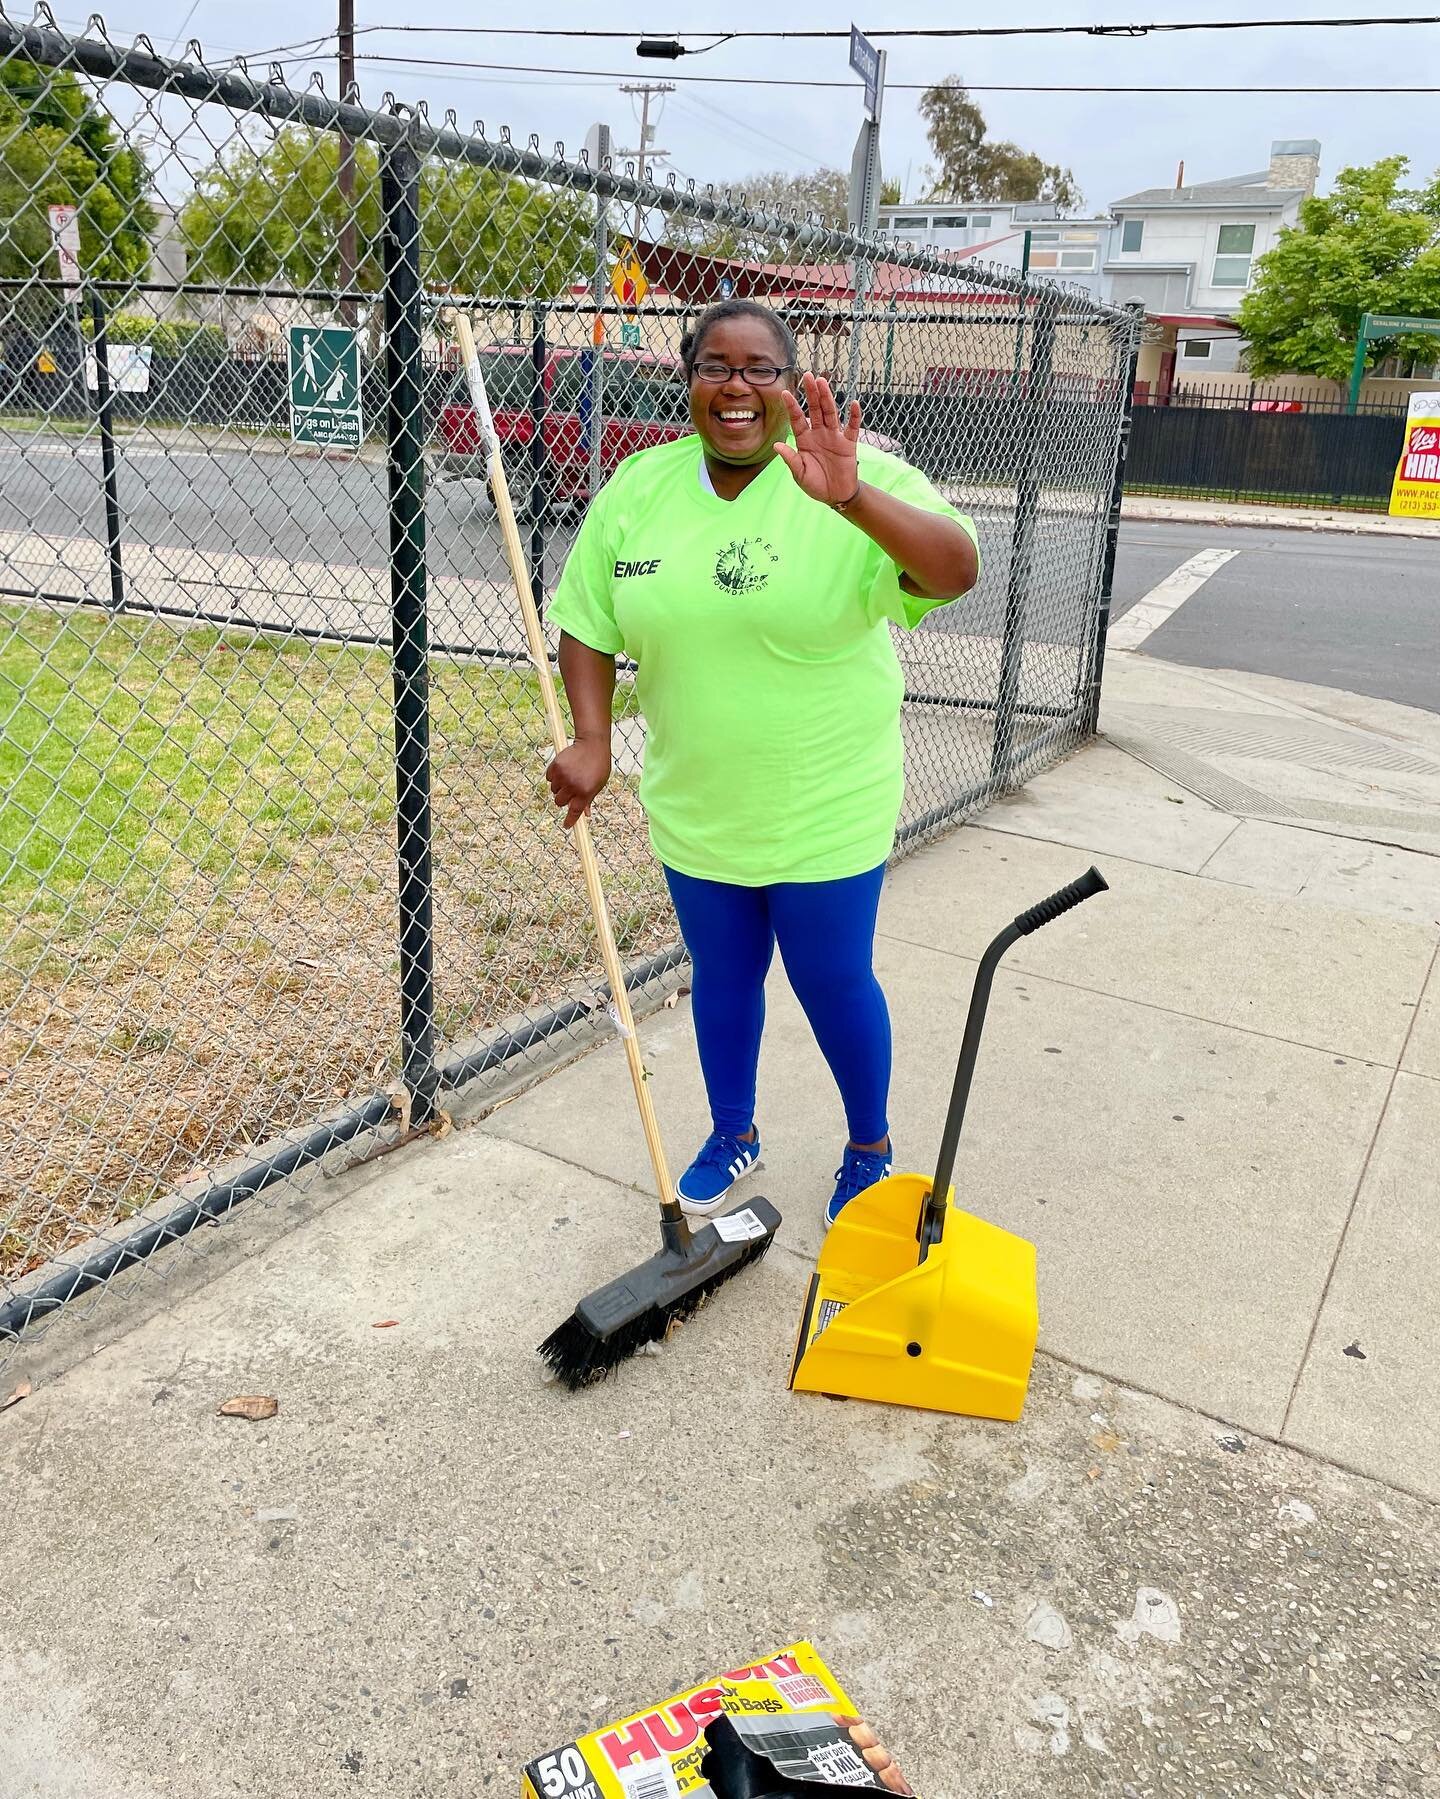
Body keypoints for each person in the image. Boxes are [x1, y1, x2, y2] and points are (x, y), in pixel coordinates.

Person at [545, 299, 979, 1229]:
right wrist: (591, 735)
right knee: (724, 971)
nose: (735, 386)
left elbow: (955, 570)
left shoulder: (852, 473)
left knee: (830, 975)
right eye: (714, 365)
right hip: (700, 800)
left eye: (759, 369)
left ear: (790, 384)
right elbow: (587, 617)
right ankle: (733, 1130)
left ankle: (870, 1145)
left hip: (826, 799)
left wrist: (854, 499)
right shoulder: (639, 488)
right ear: (689, 381)